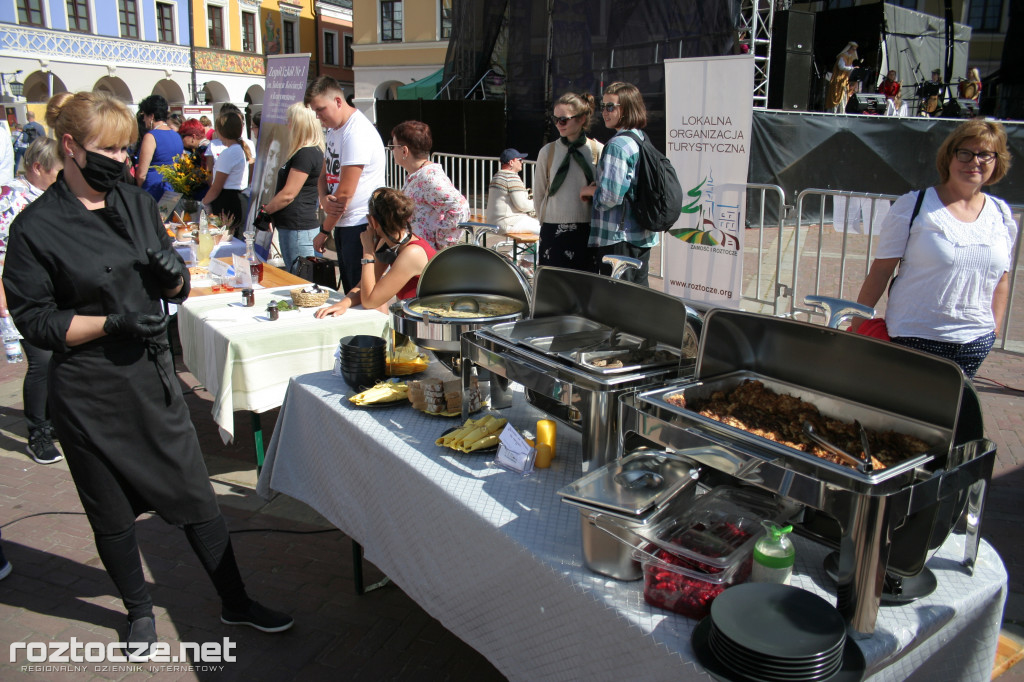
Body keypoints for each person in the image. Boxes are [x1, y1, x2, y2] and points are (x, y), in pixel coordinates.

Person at [1, 91, 292, 654]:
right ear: (70, 147)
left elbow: (176, 287)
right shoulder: (36, 228)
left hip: (150, 381)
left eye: (124, 147)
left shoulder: (134, 202)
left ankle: (235, 601)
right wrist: (110, 323)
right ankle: (138, 611)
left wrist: (171, 278)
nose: (119, 158)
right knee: (110, 514)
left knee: (196, 500)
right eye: (106, 148)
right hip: (89, 395)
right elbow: (35, 321)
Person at [851, 118, 1017, 378]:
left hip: (974, 343)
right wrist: (857, 325)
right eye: (965, 153)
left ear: (997, 161)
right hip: (914, 338)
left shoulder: (1001, 214)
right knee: (904, 414)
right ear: (949, 157)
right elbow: (881, 271)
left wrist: (992, 331)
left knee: (950, 416)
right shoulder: (913, 207)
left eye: (985, 154)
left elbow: (1002, 279)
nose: (975, 161)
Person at [0, 137, 64, 464]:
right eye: (57, 172)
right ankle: (37, 432)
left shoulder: (51, 194)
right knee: (41, 362)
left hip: (53, 294)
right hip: (22, 295)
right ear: (38, 168)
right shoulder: (11, 198)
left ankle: (53, 422)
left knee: (56, 359)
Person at [305, 76, 386, 293]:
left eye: (321, 109)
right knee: (351, 290)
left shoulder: (356, 131)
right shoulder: (334, 130)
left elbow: (345, 194)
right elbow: (324, 174)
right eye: (315, 111)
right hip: (344, 223)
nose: (318, 116)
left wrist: (324, 230)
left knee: (362, 294)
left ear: (338, 101)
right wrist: (323, 198)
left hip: (360, 224)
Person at [581, 81, 658, 286]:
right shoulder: (640, 138)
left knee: (618, 300)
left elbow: (610, 197)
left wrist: (590, 191)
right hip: (640, 234)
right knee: (637, 296)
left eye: (610, 107)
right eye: (603, 106)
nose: (604, 112)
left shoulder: (617, 145)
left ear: (626, 109)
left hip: (618, 236)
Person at [315, 187, 435, 318]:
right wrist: (344, 303)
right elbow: (364, 286)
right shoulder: (390, 241)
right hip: (415, 317)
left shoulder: (412, 253)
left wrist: (367, 251)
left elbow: (369, 301)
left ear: (372, 220)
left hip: (428, 323)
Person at [533, 92, 603, 272]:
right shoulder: (548, 152)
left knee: (584, 286)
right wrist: (546, 219)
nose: (558, 124)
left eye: (563, 120)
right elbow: (539, 192)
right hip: (552, 228)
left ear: (581, 119)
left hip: (587, 229)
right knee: (554, 287)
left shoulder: (597, 150)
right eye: (555, 119)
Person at [261, 102, 325, 271]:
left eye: (290, 121)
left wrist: (266, 211)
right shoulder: (309, 151)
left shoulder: (306, 153)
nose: (288, 126)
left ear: (299, 125)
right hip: (296, 226)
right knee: (301, 277)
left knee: (300, 278)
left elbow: (289, 193)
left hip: (297, 227)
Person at [390, 120, 468, 251]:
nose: (392, 150)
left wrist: (441, 241)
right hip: (416, 252)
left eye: (394, 146)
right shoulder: (418, 175)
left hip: (424, 255)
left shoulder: (428, 177)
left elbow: (460, 207)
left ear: (404, 151)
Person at [202, 110, 251, 234]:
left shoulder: (229, 153)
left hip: (227, 201)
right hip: (235, 198)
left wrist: (203, 203)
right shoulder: (237, 149)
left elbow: (216, 187)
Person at [135, 95, 184, 202]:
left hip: (153, 188)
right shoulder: (176, 135)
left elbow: (141, 174)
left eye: (145, 116)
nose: (143, 120)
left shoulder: (151, 136)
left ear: (151, 116)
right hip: (172, 187)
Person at [486, 149, 540, 236]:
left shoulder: (497, 176)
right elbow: (523, 205)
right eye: (519, 160)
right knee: (543, 229)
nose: (522, 162)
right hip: (507, 223)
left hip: (493, 222)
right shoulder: (511, 177)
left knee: (533, 232)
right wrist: (538, 203)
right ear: (511, 162)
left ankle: (517, 250)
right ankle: (522, 250)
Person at [825, 42, 858, 114]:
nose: (853, 51)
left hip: (844, 80)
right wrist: (852, 68)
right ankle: (834, 112)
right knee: (837, 96)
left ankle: (842, 111)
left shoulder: (850, 58)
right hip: (838, 80)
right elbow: (841, 67)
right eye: (852, 49)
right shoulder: (842, 56)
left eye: (854, 50)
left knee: (843, 96)